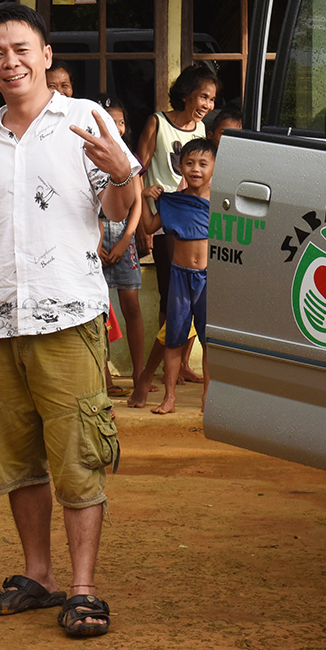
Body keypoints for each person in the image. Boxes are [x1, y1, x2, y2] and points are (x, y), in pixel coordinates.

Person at [0, 2, 140, 639]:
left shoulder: (83, 120)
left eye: (20, 50)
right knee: (16, 459)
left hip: (68, 313)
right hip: (0, 320)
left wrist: (122, 173)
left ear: (44, 57)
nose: (9, 63)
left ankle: (85, 588)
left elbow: (122, 211)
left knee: (77, 455)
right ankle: (38, 576)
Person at [138, 63, 217, 383]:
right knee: (173, 295)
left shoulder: (199, 131)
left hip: (191, 215)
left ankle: (180, 363)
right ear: (186, 95)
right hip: (164, 216)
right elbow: (138, 168)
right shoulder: (157, 122)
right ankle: (152, 372)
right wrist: (140, 216)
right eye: (203, 97)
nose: (207, 106)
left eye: (212, 100)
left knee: (189, 297)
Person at [139, 138, 213, 415]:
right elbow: (148, 225)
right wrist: (146, 198)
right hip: (180, 277)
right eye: (189, 163)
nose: (195, 169)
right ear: (180, 166)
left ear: (214, 168)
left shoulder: (221, 203)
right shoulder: (173, 201)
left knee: (209, 341)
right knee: (173, 339)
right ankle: (169, 397)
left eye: (203, 164)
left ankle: (208, 397)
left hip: (209, 278)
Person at [97, 100, 150, 407]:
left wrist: (125, 240)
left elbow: (137, 203)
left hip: (124, 240)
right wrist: (97, 243)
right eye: (108, 120)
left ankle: (139, 375)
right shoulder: (89, 155)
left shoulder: (130, 159)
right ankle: (102, 374)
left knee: (131, 308)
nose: (115, 127)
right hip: (96, 240)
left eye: (119, 122)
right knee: (98, 311)